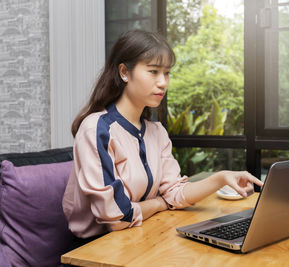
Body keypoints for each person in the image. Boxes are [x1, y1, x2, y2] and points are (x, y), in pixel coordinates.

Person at [62, 29, 263, 240]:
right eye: (153, 71)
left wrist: (221, 178)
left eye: (167, 73)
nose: (163, 82)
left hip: (140, 235)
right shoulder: (96, 129)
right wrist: (159, 203)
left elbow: (174, 193)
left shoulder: (156, 132)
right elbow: (117, 216)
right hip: (94, 249)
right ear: (124, 72)